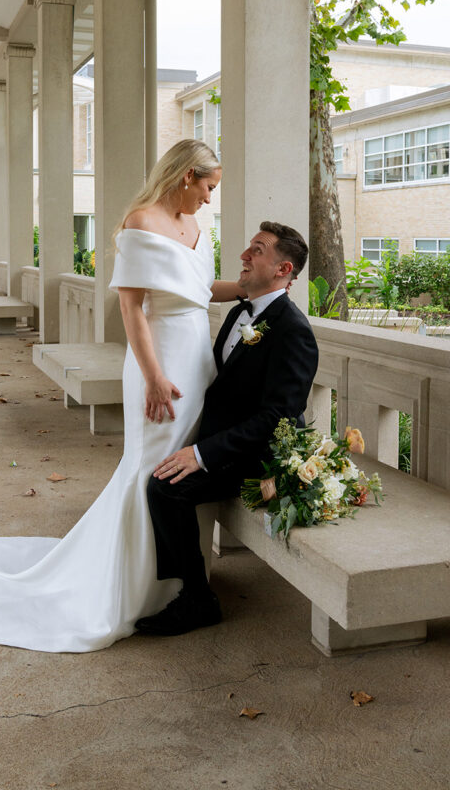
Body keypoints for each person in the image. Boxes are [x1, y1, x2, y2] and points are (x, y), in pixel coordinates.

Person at [0, 139, 241, 653]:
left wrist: (250, 289)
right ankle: (137, 588)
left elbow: (200, 292)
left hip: (197, 357)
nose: (209, 199)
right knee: (151, 466)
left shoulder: (198, 228)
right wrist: (154, 376)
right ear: (185, 176)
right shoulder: (140, 223)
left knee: (181, 468)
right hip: (160, 362)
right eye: (207, 187)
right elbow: (132, 310)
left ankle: (180, 581)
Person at [135, 222, 319, 637]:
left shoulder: (293, 331)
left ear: (282, 268)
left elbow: (279, 419)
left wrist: (200, 454)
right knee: (159, 472)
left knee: (165, 487)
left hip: (259, 458)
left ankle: (196, 599)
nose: (244, 255)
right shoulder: (239, 311)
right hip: (227, 440)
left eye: (257, 249)